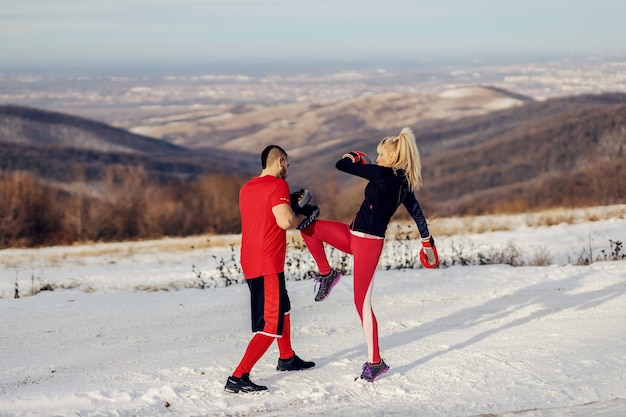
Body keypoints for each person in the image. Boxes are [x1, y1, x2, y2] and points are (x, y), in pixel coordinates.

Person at [299, 127, 439, 382]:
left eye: (380, 154)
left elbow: (342, 165)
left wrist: (354, 155)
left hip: (367, 245)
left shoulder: (383, 174)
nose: (378, 158)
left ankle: (376, 362)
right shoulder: (402, 182)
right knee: (309, 228)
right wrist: (427, 243)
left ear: (392, 158)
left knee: (361, 304)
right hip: (353, 235)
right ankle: (326, 274)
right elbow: (417, 213)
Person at [225, 145, 319, 394]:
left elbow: (267, 213)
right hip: (267, 263)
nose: (288, 168)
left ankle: (287, 357)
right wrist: (303, 216)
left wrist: (290, 205)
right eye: (287, 163)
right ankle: (238, 377)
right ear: (280, 161)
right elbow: (285, 221)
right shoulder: (278, 186)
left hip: (252, 259)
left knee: (283, 306)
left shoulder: (247, 188)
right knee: (270, 324)